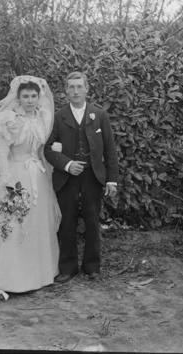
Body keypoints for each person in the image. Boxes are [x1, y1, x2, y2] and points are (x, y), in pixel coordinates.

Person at [0, 75, 61, 299]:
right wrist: (7, 178)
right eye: (26, 96)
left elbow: (43, 150)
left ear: (38, 97)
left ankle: (40, 274)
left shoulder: (44, 117)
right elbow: (2, 152)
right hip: (16, 177)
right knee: (14, 223)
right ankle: (8, 277)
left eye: (34, 96)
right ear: (18, 97)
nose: (30, 100)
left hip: (38, 176)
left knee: (38, 222)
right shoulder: (9, 120)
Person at [44, 71, 119, 283]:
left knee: (92, 221)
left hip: (93, 177)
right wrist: (67, 164)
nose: (75, 91)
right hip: (66, 177)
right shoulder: (58, 116)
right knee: (66, 221)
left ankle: (92, 267)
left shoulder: (99, 114)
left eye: (79, 87)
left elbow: (110, 150)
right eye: (71, 87)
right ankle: (68, 267)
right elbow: (48, 149)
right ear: (65, 91)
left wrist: (111, 180)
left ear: (87, 89)